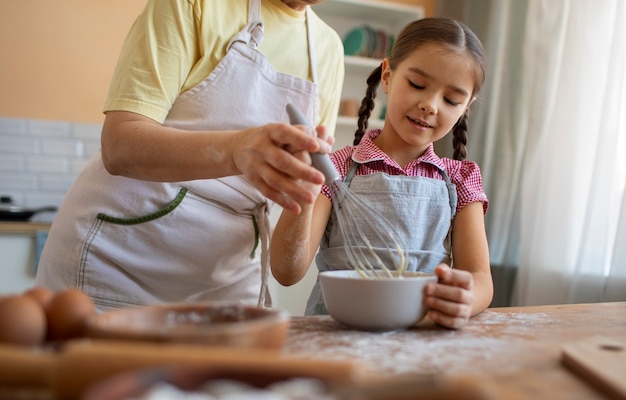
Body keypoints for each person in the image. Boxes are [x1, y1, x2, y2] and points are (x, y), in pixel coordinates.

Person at [35, 0, 344, 311]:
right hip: (120, 265)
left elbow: (291, 255)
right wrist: (236, 151)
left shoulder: (327, 48)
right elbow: (119, 145)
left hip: (225, 281)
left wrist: (305, 182)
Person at [270, 17, 494, 330]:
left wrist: (468, 298)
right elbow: (286, 271)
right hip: (335, 334)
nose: (430, 105)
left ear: (466, 106)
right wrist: (304, 187)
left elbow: (480, 277)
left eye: (451, 100)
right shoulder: (335, 169)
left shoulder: (461, 178)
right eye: (417, 84)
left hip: (421, 337)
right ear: (387, 76)